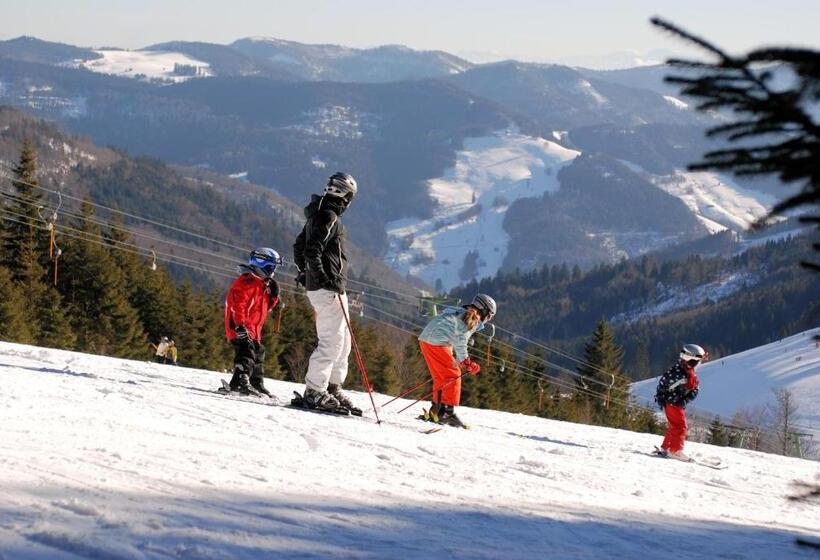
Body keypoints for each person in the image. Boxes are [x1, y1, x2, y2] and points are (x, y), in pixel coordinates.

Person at [292, 172, 360, 413]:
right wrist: (320, 277)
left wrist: (304, 273)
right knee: (332, 342)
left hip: (331, 287)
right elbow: (312, 250)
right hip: (327, 288)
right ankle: (315, 390)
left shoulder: (320, 214)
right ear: (346, 196)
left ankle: (332, 387)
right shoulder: (328, 215)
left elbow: (299, 246)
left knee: (344, 343)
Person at [417, 294, 497, 428]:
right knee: (453, 376)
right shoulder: (471, 318)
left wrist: (461, 360)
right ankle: (447, 413)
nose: (488, 319)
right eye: (489, 315)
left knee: (441, 377)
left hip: (426, 341)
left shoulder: (461, 311)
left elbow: (451, 333)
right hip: (437, 343)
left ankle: (437, 410)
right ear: (483, 311)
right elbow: (461, 342)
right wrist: (467, 363)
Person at [224, 247, 282, 397]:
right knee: (246, 352)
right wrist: (240, 326)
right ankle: (240, 381)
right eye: (271, 268)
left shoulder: (263, 286)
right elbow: (238, 306)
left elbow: (264, 309)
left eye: (274, 268)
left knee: (258, 352)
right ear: (259, 264)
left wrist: (274, 298)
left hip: (253, 330)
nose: (273, 272)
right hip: (239, 327)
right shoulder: (246, 282)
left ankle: (256, 383)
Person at [654, 344, 707, 460]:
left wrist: (684, 399)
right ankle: (675, 450)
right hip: (674, 404)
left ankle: (667, 448)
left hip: (674, 403)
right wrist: (663, 398)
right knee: (680, 426)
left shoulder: (685, 371)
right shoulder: (680, 373)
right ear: (691, 360)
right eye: (698, 362)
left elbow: (694, 388)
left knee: (674, 426)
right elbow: (664, 384)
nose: (699, 364)